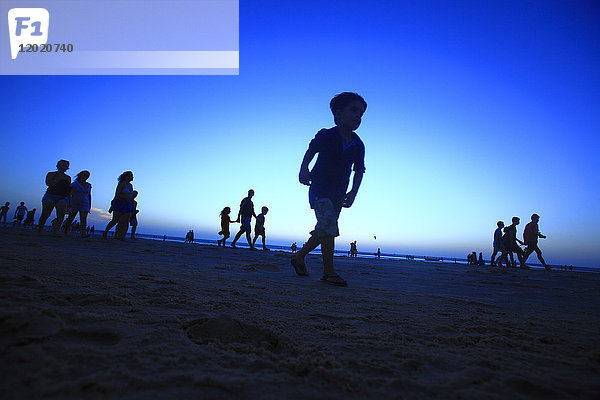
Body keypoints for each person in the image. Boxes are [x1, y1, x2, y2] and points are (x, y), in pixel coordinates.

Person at [291, 92, 367, 286]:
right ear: (338, 114)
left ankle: (299, 256)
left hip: (338, 193)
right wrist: (303, 169)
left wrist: (353, 193)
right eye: (354, 110)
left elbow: (359, 171)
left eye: (361, 113)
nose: (358, 116)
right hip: (320, 188)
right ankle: (329, 272)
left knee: (324, 229)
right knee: (328, 226)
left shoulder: (358, 145)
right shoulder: (326, 135)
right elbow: (310, 151)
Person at [38, 160, 71, 235]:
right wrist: (58, 177)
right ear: (58, 166)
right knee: (45, 214)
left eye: (66, 166)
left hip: (63, 197)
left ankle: (55, 231)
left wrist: (69, 202)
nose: (64, 167)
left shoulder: (68, 178)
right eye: (62, 165)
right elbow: (48, 183)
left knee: (61, 214)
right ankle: (40, 230)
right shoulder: (51, 174)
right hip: (50, 195)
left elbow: (68, 190)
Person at [103, 171, 134, 240]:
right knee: (115, 220)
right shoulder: (122, 184)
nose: (133, 177)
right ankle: (105, 232)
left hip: (128, 203)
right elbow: (117, 194)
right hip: (120, 202)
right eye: (131, 175)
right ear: (127, 176)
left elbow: (131, 196)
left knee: (126, 220)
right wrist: (112, 205)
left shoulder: (131, 185)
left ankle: (122, 236)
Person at [63, 170, 92, 238]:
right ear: (80, 175)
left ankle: (83, 233)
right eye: (84, 175)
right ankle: (66, 231)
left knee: (83, 218)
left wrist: (89, 205)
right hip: (75, 202)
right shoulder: (75, 184)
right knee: (71, 217)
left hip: (85, 203)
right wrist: (70, 203)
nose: (85, 176)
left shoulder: (88, 185)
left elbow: (89, 195)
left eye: (87, 175)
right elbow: (71, 194)